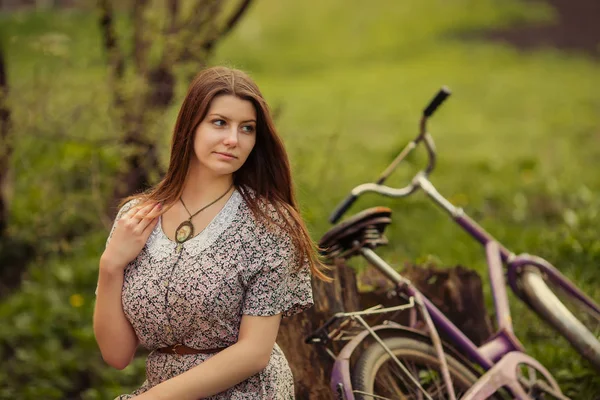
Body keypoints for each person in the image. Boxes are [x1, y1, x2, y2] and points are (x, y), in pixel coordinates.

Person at [93, 66, 329, 399]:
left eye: (246, 128)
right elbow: (116, 356)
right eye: (219, 123)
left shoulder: (270, 226)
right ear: (190, 127)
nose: (233, 139)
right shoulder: (135, 219)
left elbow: (254, 352)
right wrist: (110, 265)